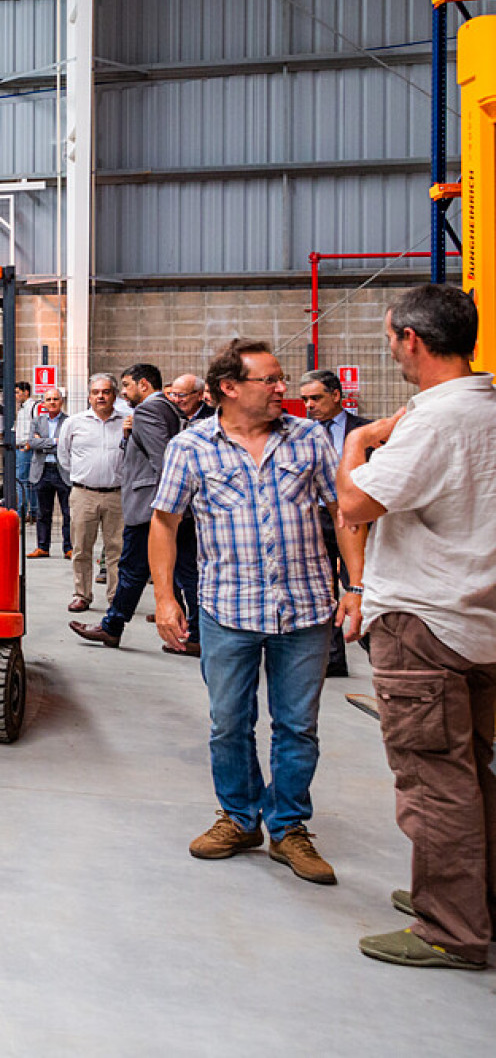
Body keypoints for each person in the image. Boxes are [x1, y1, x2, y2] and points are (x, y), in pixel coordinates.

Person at [150, 339, 360, 885]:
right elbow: (165, 522)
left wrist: (356, 585)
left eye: (281, 379)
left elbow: (343, 512)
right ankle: (240, 818)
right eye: (270, 380)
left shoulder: (309, 438)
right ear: (229, 388)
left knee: (297, 726)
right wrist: (166, 598)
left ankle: (288, 828)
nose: (282, 389)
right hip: (228, 607)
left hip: (305, 608)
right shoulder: (191, 446)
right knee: (229, 723)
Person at [333, 285, 496, 970]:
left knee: (433, 782)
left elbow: (355, 502)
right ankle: (474, 902)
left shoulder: (436, 420)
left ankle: (450, 927)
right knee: (475, 773)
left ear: (413, 340)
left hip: (426, 622)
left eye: (392, 339)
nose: (393, 350)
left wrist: (359, 440)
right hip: (478, 619)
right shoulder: (487, 407)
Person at [73, 366, 201, 654]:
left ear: (143, 384)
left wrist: (169, 506)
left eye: (127, 385)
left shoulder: (148, 410)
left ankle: (112, 627)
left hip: (151, 507)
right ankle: (194, 633)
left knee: (133, 569)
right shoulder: (167, 408)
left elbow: (163, 459)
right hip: (163, 507)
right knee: (181, 571)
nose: (124, 392)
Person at [298, 368, 368, 677]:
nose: (309, 405)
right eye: (305, 400)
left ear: (336, 395)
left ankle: (374, 644)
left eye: (315, 398)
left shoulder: (363, 431)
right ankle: (333, 658)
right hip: (316, 519)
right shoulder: (301, 435)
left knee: (359, 584)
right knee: (323, 592)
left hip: (355, 520)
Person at [57, 374, 125, 615]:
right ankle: (81, 594)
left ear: (114, 395)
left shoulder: (126, 422)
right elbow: (63, 456)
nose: (101, 396)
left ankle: (116, 598)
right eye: (96, 392)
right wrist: (82, 476)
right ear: (89, 396)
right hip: (83, 494)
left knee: (117, 550)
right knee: (81, 548)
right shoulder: (74, 423)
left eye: (106, 392)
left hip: (117, 495)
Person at [25, 387, 71, 558]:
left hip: (62, 471)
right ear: (44, 403)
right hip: (42, 471)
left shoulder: (69, 422)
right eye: (49, 399)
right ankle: (43, 547)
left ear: (61, 402)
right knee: (43, 513)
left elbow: (68, 444)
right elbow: (31, 443)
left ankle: (69, 548)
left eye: (55, 399)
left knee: (68, 513)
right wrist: (55, 442)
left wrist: (43, 442)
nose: (52, 402)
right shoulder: (37, 421)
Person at [13, 381, 37, 522]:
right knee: (28, 482)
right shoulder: (21, 408)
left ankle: (22, 512)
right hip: (20, 448)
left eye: (17, 392)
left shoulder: (32, 407)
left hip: (25, 448)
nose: (15, 396)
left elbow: (36, 426)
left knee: (21, 481)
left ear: (26, 392)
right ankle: (32, 512)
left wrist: (29, 444)